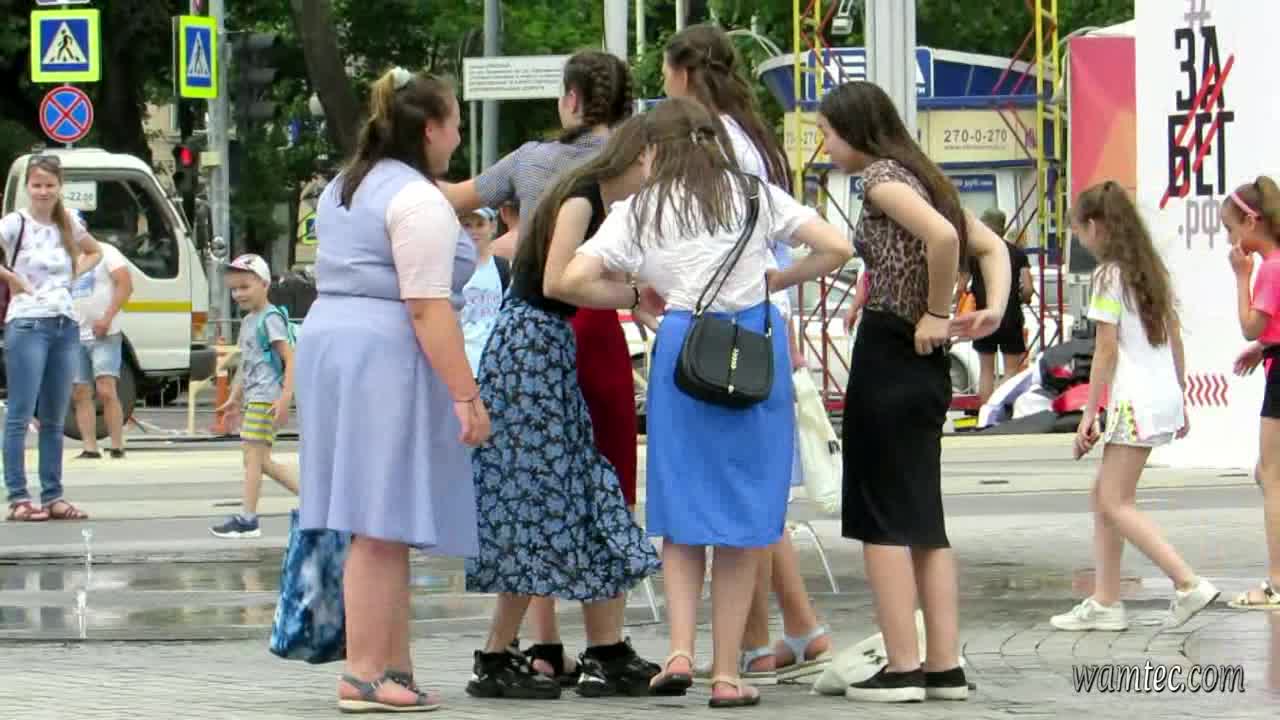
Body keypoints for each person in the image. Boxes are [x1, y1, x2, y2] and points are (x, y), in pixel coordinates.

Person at [559, 97, 853, 708]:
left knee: (683, 509)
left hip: (682, 350)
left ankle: (678, 650)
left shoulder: (641, 209)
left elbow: (569, 279)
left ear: (652, 151)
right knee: (745, 519)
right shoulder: (754, 195)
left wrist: (634, 293)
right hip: (751, 353)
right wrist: (777, 280)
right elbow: (836, 248)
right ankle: (725, 673)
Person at [439, 49, 641, 683]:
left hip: (540, 324)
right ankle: (603, 644)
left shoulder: (531, 159)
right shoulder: (624, 169)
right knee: (596, 482)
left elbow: (456, 197)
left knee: (542, 484)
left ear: (571, 99)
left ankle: (543, 646)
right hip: (593, 323)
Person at [298, 66, 489, 713]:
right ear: (430, 129)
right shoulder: (416, 199)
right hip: (383, 352)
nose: (458, 136)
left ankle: (393, 665)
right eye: (455, 123)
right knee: (380, 521)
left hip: (335, 343)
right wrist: (466, 394)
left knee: (381, 517)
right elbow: (427, 306)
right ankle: (364, 673)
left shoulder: (347, 185)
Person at [816, 80, 1011, 703]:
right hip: (927, 366)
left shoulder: (879, 179)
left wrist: (935, 310)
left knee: (880, 518)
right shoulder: (926, 177)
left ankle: (902, 665)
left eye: (826, 133)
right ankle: (943, 664)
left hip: (892, 354)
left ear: (854, 130)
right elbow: (990, 245)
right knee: (924, 520)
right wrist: (992, 308)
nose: (824, 145)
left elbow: (945, 241)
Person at [662, 22, 831, 684]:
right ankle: (786, 630)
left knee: (740, 495)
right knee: (753, 490)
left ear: (683, 74)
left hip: (726, 326)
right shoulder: (750, 134)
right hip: (760, 324)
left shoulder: (713, 142)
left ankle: (762, 638)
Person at [1050, 180, 1219, 631]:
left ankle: (1186, 583)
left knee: (1114, 500)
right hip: (1160, 395)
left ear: (1094, 226)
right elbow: (1174, 338)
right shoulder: (1150, 271)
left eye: (1079, 231)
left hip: (1134, 400)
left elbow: (1105, 349)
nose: (1081, 240)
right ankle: (1106, 600)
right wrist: (1180, 396)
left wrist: (1089, 413)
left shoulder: (1108, 276)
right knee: (1105, 496)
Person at [1, 154, 103, 522]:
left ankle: (53, 495)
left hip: (64, 324)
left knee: (54, 417)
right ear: (27, 188)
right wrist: (11, 278)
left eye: (49, 185)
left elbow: (95, 251)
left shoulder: (68, 221)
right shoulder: (15, 223)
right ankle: (18, 497)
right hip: (27, 322)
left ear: (60, 187)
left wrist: (74, 272)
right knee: (20, 413)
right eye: (37, 185)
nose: (43, 192)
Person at [210, 254, 300, 539]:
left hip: (267, 397)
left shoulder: (270, 318)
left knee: (253, 459)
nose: (238, 294)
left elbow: (290, 358)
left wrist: (285, 398)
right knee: (259, 460)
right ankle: (316, 501)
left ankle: (248, 519)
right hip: (255, 397)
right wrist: (235, 398)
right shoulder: (249, 321)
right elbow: (246, 363)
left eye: (245, 287)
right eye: (234, 289)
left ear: (264, 284)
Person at [1225, 176, 1280, 610]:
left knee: (1271, 476)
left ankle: (1276, 583)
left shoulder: (1269, 268)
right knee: (1267, 474)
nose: (1230, 240)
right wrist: (1263, 348)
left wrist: (1241, 277)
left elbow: (1250, 324)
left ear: (1250, 222)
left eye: (1231, 229)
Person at [956, 208, 1033, 404]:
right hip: (1011, 317)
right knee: (1011, 372)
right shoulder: (1017, 253)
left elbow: (961, 287)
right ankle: (1003, 412)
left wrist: (960, 306)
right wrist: (1022, 299)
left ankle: (985, 412)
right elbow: (1028, 289)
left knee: (986, 371)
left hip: (982, 318)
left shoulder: (974, 254)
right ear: (1003, 228)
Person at [70, 239, 134, 459]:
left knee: (106, 388)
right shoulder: (65, 257)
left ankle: (117, 445)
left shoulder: (106, 251)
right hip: (74, 334)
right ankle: (90, 447)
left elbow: (125, 284)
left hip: (105, 332)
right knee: (80, 391)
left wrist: (107, 318)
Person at [459, 207, 509, 376]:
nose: (474, 231)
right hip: (464, 363)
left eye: (480, 224)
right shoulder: (451, 268)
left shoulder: (503, 268)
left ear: (492, 227)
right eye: (467, 225)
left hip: (496, 364)